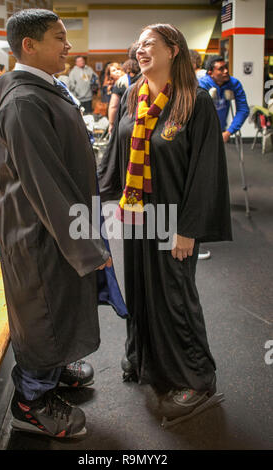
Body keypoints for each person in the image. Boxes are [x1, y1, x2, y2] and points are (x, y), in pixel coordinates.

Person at [0, 8, 127, 439]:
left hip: (61, 227)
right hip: (40, 233)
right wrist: (89, 248)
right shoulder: (24, 101)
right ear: (29, 46)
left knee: (62, 304)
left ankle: (52, 371)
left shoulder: (47, 88)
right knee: (42, 312)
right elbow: (46, 184)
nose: (69, 47)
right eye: (59, 38)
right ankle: (31, 401)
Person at [98, 23, 232, 425]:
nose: (141, 50)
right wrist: (99, 199)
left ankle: (196, 378)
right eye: (138, 45)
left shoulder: (195, 102)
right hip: (138, 217)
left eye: (150, 44)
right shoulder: (133, 94)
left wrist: (187, 229)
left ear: (174, 49)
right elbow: (117, 154)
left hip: (173, 220)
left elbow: (205, 170)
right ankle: (146, 360)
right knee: (140, 290)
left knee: (174, 296)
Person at [198, 55, 249, 143]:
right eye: (221, 69)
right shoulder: (201, 84)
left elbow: (243, 109)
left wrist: (229, 132)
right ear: (210, 73)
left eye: (226, 67)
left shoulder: (234, 83)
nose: (226, 71)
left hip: (220, 128)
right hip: (201, 130)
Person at [108, 45, 141, 134]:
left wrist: (111, 124)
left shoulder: (122, 81)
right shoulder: (151, 78)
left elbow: (113, 106)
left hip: (127, 122)